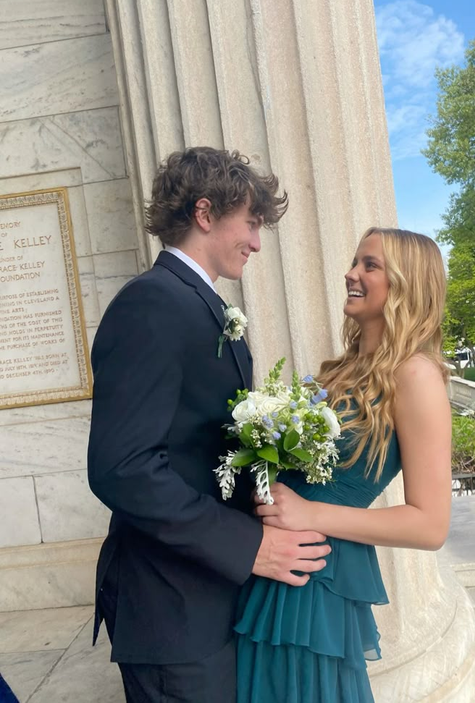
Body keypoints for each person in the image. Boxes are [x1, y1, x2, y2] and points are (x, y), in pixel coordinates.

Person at [87, 147, 331, 703]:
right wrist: (248, 547)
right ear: (204, 213)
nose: (257, 242)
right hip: (172, 609)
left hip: (207, 596)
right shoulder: (152, 302)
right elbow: (123, 468)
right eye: (251, 222)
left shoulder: (198, 302)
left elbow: (198, 444)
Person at [235, 227, 452, 703]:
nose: (351, 274)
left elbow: (431, 525)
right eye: (356, 261)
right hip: (277, 561)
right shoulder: (342, 369)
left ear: (406, 283)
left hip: (318, 575)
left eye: (369, 265)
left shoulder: (416, 376)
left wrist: (309, 512)